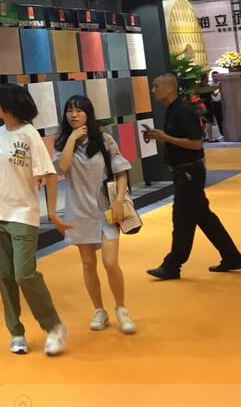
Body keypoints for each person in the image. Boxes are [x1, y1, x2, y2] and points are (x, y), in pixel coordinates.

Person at [0, 84, 70, 356]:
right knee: (4, 276)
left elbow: (49, 174)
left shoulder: (29, 134)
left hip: (23, 215)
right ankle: (16, 332)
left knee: (24, 274)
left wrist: (53, 212)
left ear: (8, 105)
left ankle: (54, 326)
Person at [144, 73, 241, 279]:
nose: (153, 90)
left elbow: (196, 144)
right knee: (204, 217)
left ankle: (172, 265)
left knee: (182, 218)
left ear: (170, 88)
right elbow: (180, 140)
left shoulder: (182, 111)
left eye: (156, 86)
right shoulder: (173, 110)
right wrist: (160, 136)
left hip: (189, 172)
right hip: (185, 171)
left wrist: (165, 137)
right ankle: (232, 257)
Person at [53, 95, 137, 334]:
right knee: (88, 264)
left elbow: (121, 172)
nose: (74, 115)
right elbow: (61, 168)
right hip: (79, 212)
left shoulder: (105, 139)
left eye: (79, 110)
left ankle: (121, 308)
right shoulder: (62, 143)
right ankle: (99, 310)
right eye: (69, 111)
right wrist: (71, 138)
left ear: (88, 113)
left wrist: (119, 200)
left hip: (107, 211)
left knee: (110, 262)